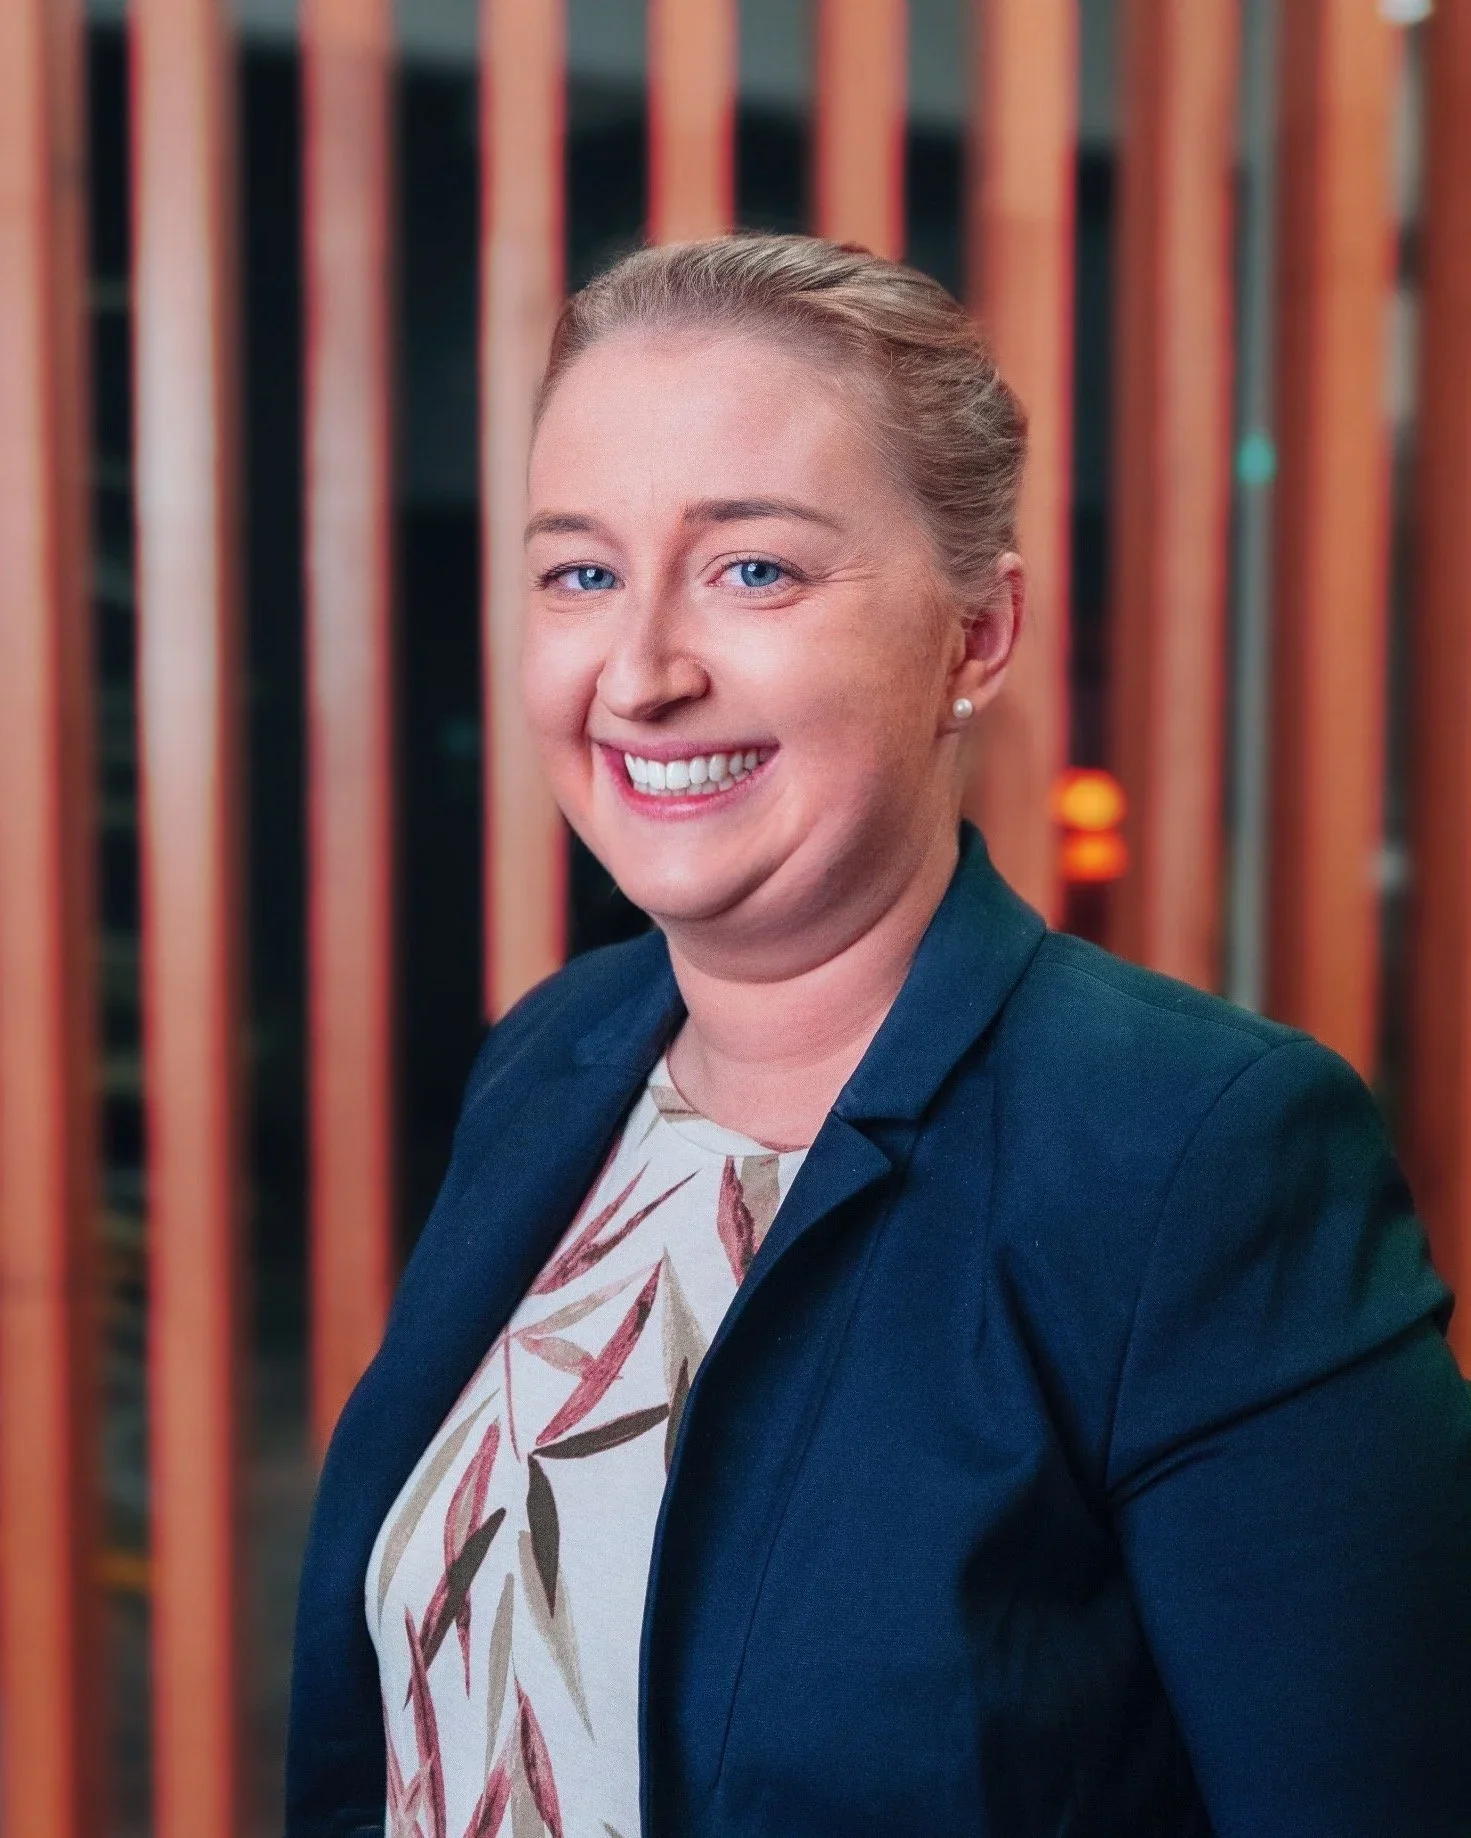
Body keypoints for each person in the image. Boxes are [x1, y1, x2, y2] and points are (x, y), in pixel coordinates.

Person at [287, 235, 1471, 1838]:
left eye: (752, 569)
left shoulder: (1193, 1157)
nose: (640, 671)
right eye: (580, 571)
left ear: (973, 637)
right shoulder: (556, 1059)